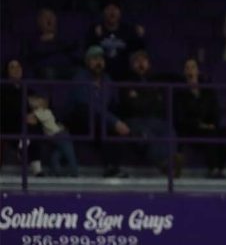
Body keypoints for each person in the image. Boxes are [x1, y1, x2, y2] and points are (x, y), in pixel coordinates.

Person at [66, 46, 133, 177]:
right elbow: (90, 106)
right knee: (100, 120)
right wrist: (114, 122)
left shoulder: (107, 79)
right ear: (87, 62)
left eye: (101, 59)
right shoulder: (79, 79)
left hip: (101, 122)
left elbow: (114, 104)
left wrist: (118, 121)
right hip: (81, 121)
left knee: (112, 126)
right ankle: (111, 167)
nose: (99, 62)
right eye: (94, 59)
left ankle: (113, 168)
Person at [121, 50, 178, 175]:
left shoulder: (156, 81)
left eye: (144, 60)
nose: (141, 63)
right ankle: (165, 164)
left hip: (154, 120)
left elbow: (159, 106)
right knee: (147, 136)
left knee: (169, 131)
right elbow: (132, 107)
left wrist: (140, 98)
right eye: (137, 61)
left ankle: (170, 162)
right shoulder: (126, 82)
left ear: (149, 64)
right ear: (132, 65)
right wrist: (150, 99)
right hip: (135, 121)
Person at [175, 58, 226, 179]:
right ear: (184, 72)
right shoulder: (179, 93)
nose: (190, 70)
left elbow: (215, 112)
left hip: (209, 126)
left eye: (193, 67)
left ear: (198, 71)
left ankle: (219, 168)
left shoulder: (208, 91)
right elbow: (180, 117)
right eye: (187, 67)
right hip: (191, 128)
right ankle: (213, 170)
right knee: (210, 133)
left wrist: (212, 124)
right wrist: (199, 125)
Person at [26, 92, 79, 177]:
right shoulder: (38, 112)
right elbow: (28, 119)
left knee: (58, 154)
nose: (33, 101)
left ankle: (57, 171)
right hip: (56, 135)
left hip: (60, 133)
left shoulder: (45, 111)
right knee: (69, 153)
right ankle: (74, 172)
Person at [90, 3, 145, 79]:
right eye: (109, 9)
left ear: (120, 12)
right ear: (104, 12)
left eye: (115, 9)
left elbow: (138, 52)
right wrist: (96, 37)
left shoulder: (128, 30)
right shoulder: (96, 30)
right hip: (102, 74)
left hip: (124, 74)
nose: (112, 12)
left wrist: (140, 37)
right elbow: (90, 54)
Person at [24, 8, 79, 79]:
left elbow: (73, 47)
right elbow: (36, 53)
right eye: (45, 17)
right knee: (49, 73)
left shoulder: (64, 36)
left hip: (67, 68)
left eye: (51, 16)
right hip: (47, 68)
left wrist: (55, 39)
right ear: (39, 21)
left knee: (80, 73)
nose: (49, 19)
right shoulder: (33, 39)